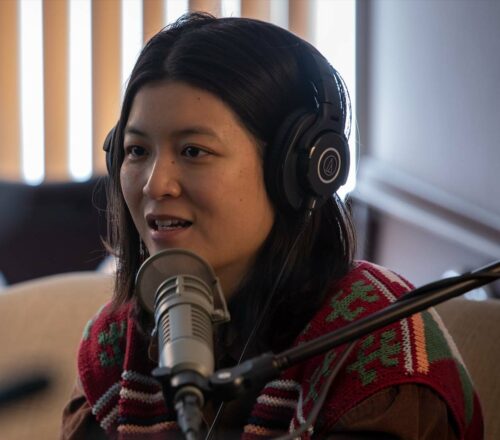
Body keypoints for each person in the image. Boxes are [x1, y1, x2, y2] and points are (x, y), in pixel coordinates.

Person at [61, 13, 483, 440]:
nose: (156, 183)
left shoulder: (379, 345)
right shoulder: (115, 343)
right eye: (136, 150)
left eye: (193, 150)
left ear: (295, 170)